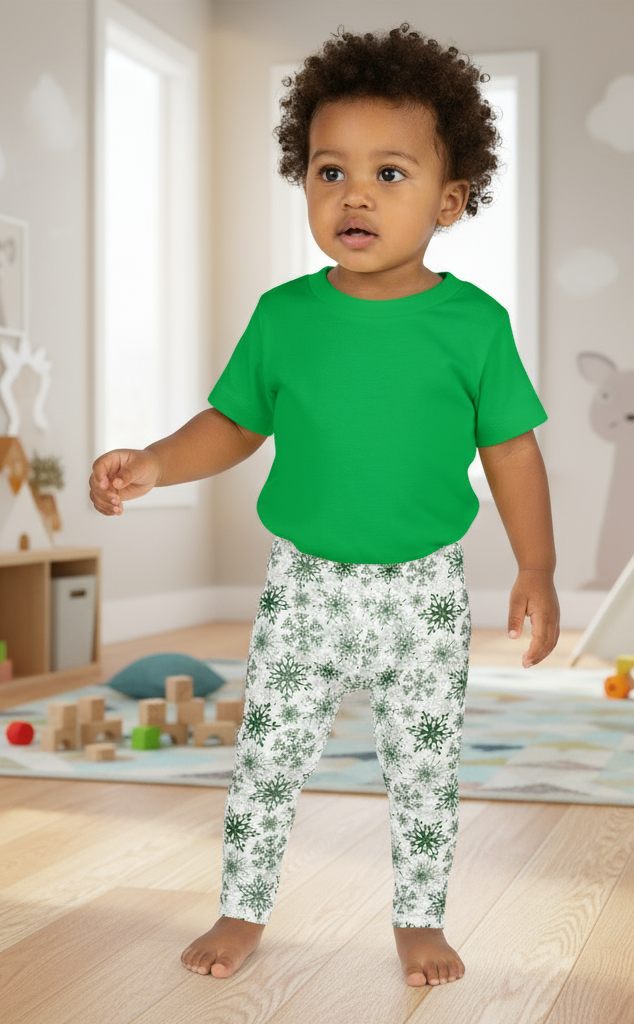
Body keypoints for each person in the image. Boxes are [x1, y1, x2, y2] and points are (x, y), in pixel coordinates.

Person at [89, 23, 560, 988]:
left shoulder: (473, 325)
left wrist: (538, 568)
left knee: (422, 773)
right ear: (303, 183)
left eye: (391, 173)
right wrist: (152, 464)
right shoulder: (284, 317)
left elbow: (512, 452)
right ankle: (241, 907)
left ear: (450, 199)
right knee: (268, 758)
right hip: (304, 585)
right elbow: (231, 424)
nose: (353, 193)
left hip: (423, 593)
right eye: (328, 169)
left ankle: (418, 920)